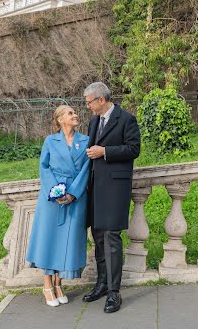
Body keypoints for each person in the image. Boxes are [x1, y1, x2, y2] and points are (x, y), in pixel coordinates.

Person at [83, 82, 141, 313]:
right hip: (95, 186)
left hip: (116, 188)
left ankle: (114, 293)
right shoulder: (93, 121)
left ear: (101, 100)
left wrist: (105, 151)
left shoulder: (126, 119)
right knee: (97, 235)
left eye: (89, 102)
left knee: (112, 237)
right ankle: (102, 284)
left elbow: (133, 149)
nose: (87, 107)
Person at [25, 105, 90, 306]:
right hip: (52, 198)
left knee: (68, 241)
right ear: (60, 119)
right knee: (49, 238)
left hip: (75, 197)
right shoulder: (50, 141)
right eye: (70, 113)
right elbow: (43, 167)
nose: (75, 115)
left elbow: (87, 169)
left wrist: (72, 193)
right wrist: (56, 191)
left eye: (74, 112)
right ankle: (47, 284)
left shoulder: (86, 141)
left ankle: (59, 283)